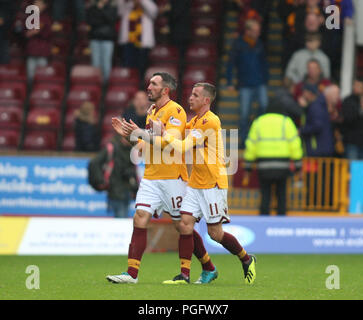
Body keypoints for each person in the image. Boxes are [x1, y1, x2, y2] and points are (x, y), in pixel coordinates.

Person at [106, 73, 218, 284]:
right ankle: (131, 274)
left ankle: (207, 267)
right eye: (149, 83)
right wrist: (128, 135)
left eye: (154, 84)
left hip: (172, 178)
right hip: (151, 176)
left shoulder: (175, 111)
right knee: (140, 217)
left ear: (165, 90)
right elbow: (142, 147)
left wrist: (139, 132)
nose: (149, 86)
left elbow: (169, 143)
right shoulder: (152, 113)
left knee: (182, 226)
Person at [147, 83, 256, 285]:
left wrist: (163, 133)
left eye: (195, 95)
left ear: (206, 100)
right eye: (191, 93)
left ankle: (246, 258)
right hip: (196, 183)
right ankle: (184, 275)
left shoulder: (210, 122)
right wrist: (155, 117)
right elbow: (177, 131)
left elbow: (181, 146)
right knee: (184, 224)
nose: (190, 97)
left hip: (212, 184)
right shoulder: (194, 121)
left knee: (215, 234)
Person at [244, 97, 303, 216]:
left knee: (265, 194)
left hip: (263, 165)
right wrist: (297, 164)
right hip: (282, 165)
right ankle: (281, 221)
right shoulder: (286, 122)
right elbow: (295, 143)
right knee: (281, 194)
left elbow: (251, 144)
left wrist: (248, 166)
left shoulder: (258, 121)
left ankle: (263, 221)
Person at [226, 19, 269, 146]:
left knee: (264, 105)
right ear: (248, 31)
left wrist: (266, 78)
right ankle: (244, 140)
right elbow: (230, 63)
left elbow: (264, 63)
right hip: (244, 84)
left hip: (259, 82)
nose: (258, 33)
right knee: (244, 113)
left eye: (258, 31)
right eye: (255, 31)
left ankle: (255, 130)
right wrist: (229, 81)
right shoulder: (238, 44)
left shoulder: (259, 44)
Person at [117, 0, 158, 84]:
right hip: (128, 42)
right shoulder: (127, 3)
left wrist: (141, 1)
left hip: (142, 43)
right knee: (128, 68)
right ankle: (128, 86)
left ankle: (141, 87)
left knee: (142, 67)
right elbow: (119, 12)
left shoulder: (146, 2)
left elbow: (154, 12)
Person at [87, 0, 118, 83]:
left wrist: (101, 9)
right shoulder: (93, 7)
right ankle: (96, 81)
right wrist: (100, 15)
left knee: (106, 62)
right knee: (95, 62)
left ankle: (106, 83)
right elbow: (90, 21)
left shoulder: (112, 7)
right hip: (95, 37)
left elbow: (111, 19)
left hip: (107, 38)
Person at [24, 0, 52, 83]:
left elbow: (45, 32)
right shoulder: (30, 17)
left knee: (42, 76)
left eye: (39, 3)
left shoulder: (46, 18)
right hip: (31, 50)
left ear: (44, 6)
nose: (37, 5)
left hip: (42, 51)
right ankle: (30, 93)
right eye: (35, 3)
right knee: (30, 77)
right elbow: (26, 34)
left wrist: (34, 31)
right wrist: (33, 31)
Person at [341, 80, 363, 160]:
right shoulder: (348, 100)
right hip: (352, 142)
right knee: (353, 167)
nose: (355, 88)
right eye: (355, 85)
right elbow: (347, 119)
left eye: (359, 86)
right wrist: (360, 111)